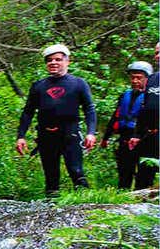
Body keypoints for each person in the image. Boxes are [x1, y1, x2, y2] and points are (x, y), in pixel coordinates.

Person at [16, 44, 97, 196]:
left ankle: (89, 207)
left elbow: (89, 109)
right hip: (46, 136)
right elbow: (28, 112)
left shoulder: (78, 83)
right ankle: (51, 211)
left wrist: (91, 132)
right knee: (51, 176)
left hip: (70, 135)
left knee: (76, 171)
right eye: (49, 60)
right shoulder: (38, 86)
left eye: (58, 59)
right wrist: (21, 136)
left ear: (67, 62)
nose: (53, 63)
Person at [99, 61, 153, 189]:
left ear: (147, 78)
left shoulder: (152, 97)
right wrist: (106, 137)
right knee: (124, 172)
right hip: (125, 137)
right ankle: (122, 198)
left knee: (144, 174)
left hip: (144, 139)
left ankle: (142, 200)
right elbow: (115, 116)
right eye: (132, 77)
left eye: (139, 78)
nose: (135, 81)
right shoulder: (125, 95)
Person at [131, 42, 160, 189]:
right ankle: (139, 209)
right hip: (150, 136)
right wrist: (137, 134)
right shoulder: (153, 79)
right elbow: (145, 109)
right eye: (156, 53)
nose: (158, 56)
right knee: (143, 175)